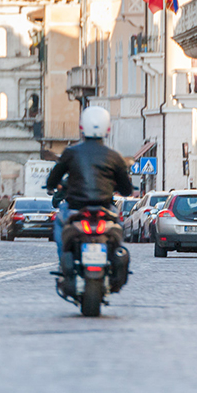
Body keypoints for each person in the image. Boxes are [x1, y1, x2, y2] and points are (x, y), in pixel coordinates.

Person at [45, 106, 133, 296]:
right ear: (108, 129)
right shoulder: (114, 156)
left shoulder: (71, 153)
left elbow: (53, 178)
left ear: (81, 128)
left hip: (76, 208)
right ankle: (114, 257)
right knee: (117, 229)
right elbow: (127, 189)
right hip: (105, 209)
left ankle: (63, 264)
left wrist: (54, 186)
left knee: (60, 224)